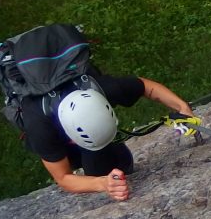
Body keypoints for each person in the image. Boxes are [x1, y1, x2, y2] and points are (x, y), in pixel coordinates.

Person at [23, 74, 194, 202]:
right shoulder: (39, 127)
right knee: (96, 172)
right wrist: (102, 184)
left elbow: (145, 87)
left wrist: (182, 107)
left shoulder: (101, 88)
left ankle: (109, 155)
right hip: (55, 136)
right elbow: (63, 178)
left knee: (113, 162)